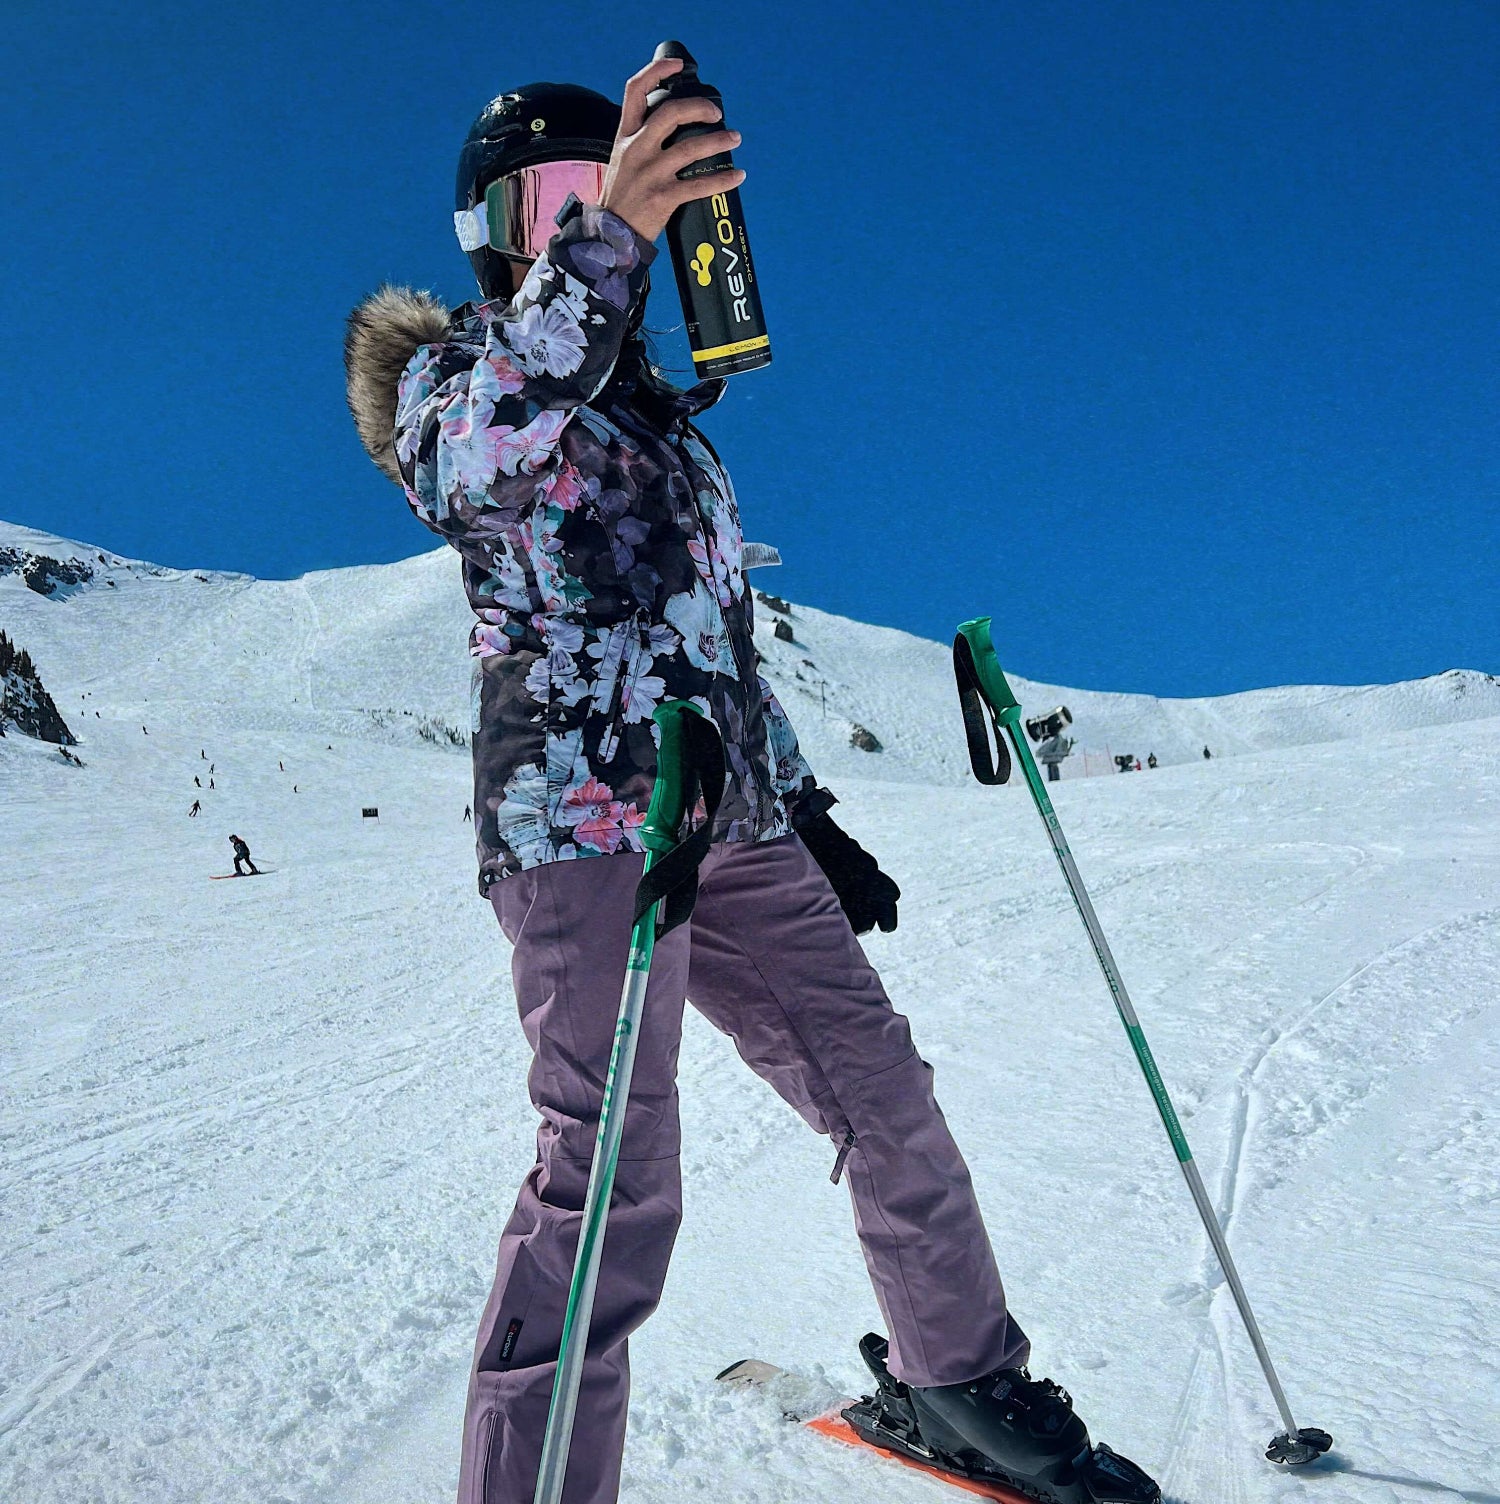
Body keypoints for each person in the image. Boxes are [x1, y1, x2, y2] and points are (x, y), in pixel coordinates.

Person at [346, 58, 1157, 1504]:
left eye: (609, 187)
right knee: (608, 1185)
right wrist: (608, 247)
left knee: (884, 1092)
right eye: (557, 200)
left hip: (732, 819)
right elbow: (472, 473)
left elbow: (709, 639)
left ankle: (958, 1381)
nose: (592, 218)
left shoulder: (663, 420)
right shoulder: (451, 381)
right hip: (586, 822)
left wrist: (809, 805)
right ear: (491, 230)